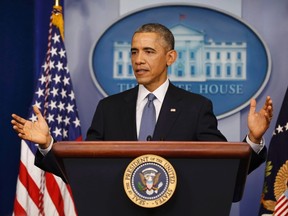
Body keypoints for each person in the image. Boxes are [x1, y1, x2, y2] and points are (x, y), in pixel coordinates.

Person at [11, 23, 273, 179]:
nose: (138, 60)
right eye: (134, 51)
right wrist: (47, 144)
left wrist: (253, 139)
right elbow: (83, 170)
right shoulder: (110, 108)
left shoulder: (196, 108)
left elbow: (223, 170)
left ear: (170, 57)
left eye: (149, 51)